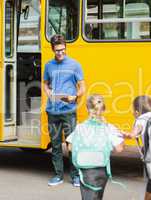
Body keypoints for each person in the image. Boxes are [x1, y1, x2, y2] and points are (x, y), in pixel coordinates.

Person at [44, 34, 86, 187]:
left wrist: (74, 97)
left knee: (71, 145)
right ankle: (58, 175)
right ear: (52, 50)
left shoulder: (75, 65)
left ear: (66, 48)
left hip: (69, 111)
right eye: (57, 51)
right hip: (52, 111)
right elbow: (46, 84)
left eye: (62, 50)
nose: (60, 53)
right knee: (55, 145)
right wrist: (48, 93)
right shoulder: (48, 66)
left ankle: (75, 177)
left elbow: (83, 87)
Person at [66, 94, 124, 200]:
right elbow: (119, 149)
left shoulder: (80, 127)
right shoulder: (109, 128)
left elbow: (70, 147)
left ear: (87, 109)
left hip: (85, 171)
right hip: (102, 170)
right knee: (97, 197)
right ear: (103, 108)